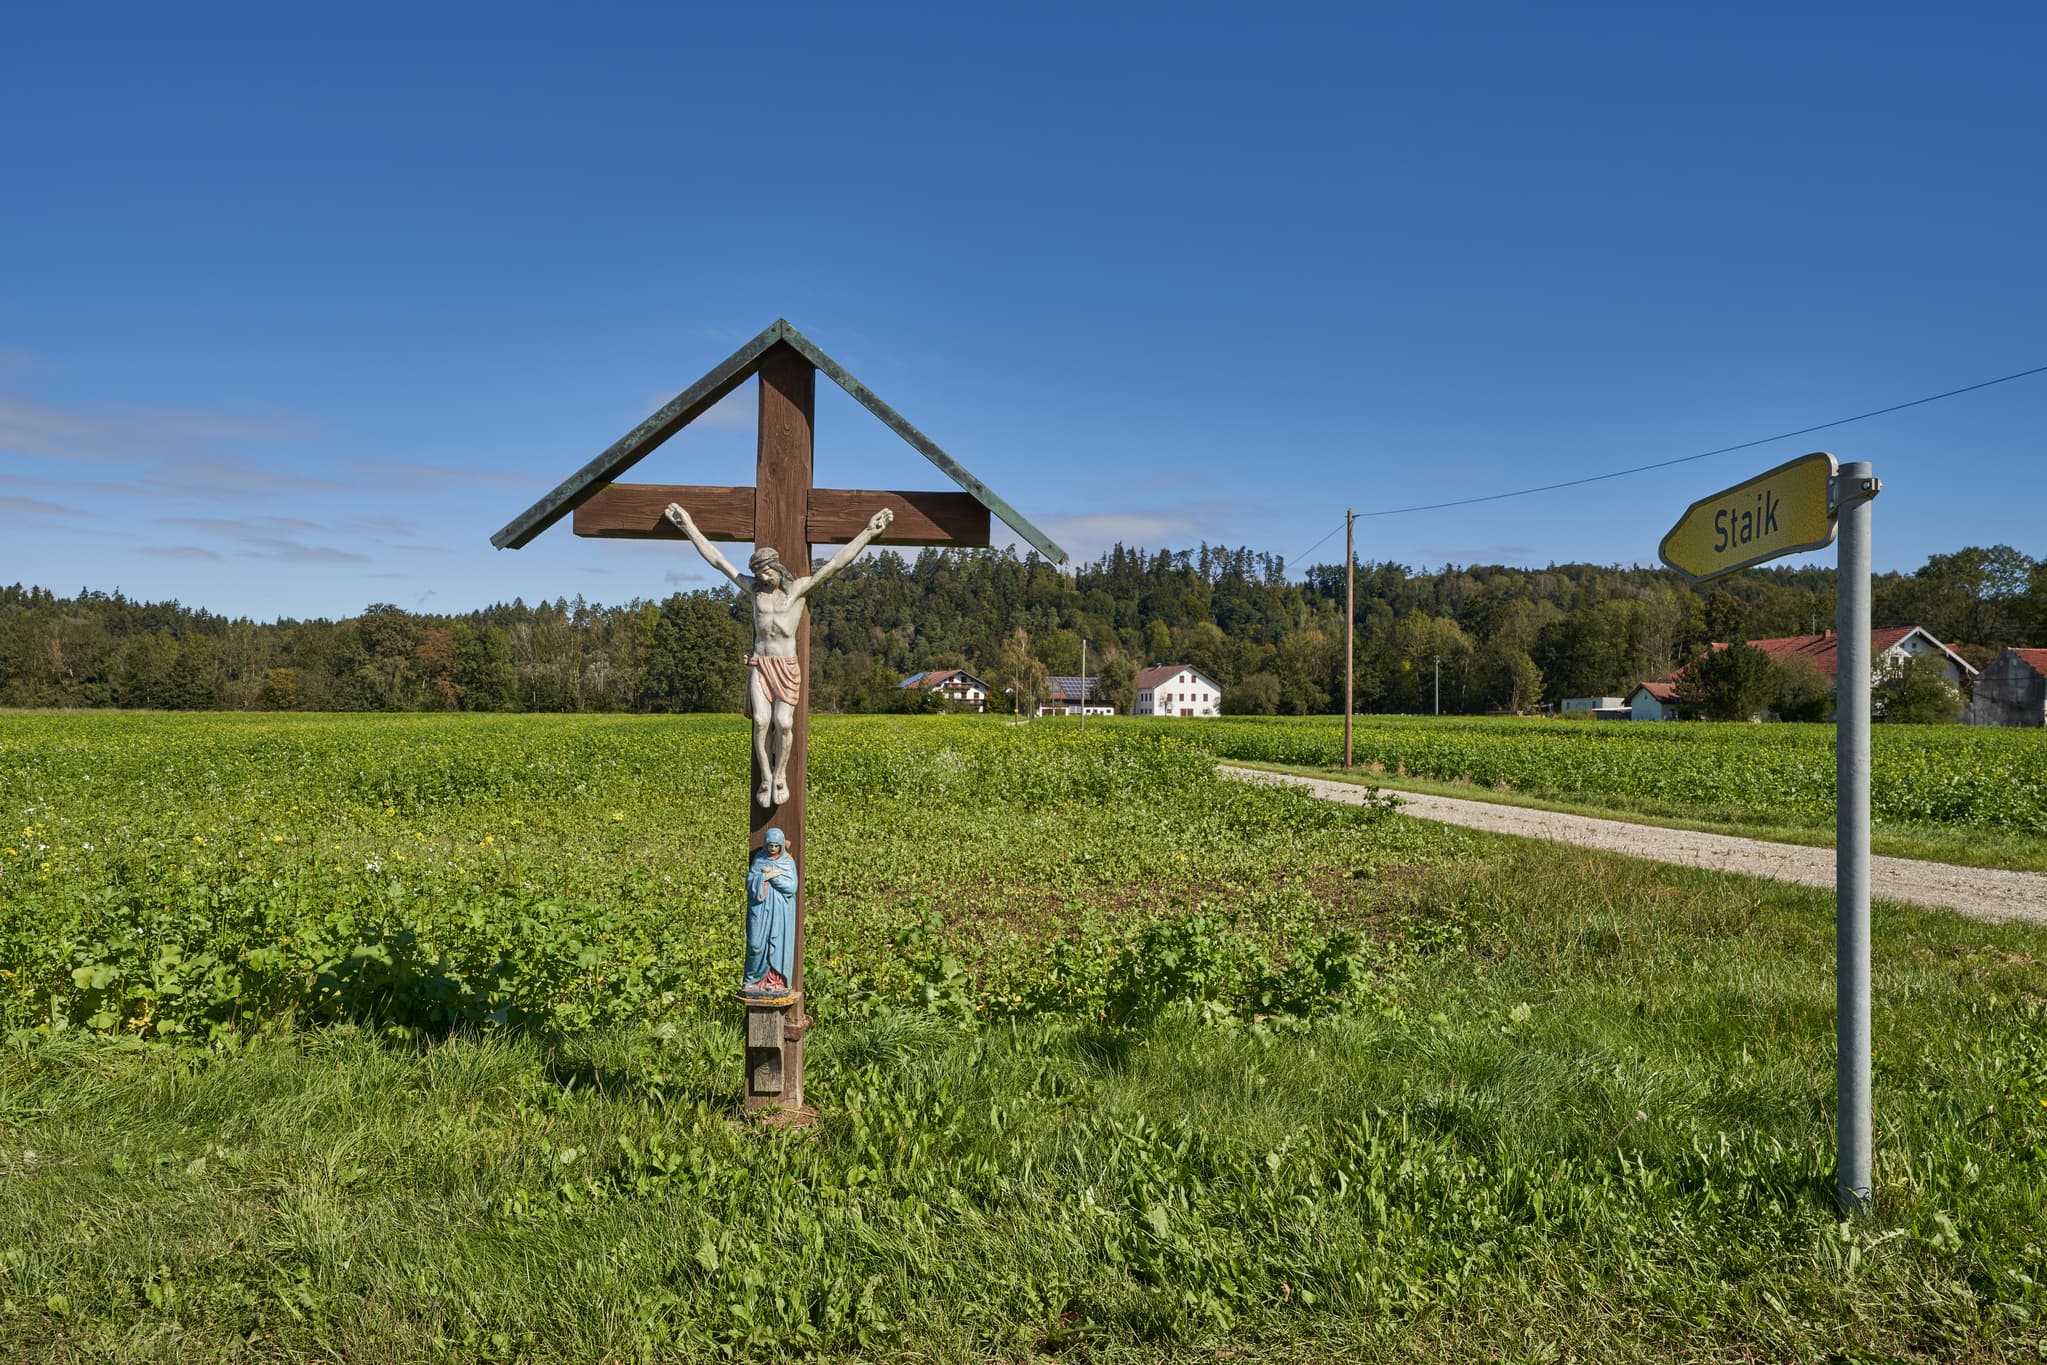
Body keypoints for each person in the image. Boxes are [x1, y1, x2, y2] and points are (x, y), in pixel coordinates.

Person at [665, 501, 894, 807]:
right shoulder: (755, 591)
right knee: (761, 721)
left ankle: (781, 774)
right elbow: (718, 561)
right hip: (761, 664)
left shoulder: (798, 590)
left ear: (777, 567)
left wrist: (867, 533)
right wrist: (688, 526)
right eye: (759, 575)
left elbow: (835, 564)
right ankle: (766, 778)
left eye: (767, 573)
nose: (764, 579)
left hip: (786, 666)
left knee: (783, 723)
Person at [743, 828, 798, 997]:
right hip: (760, 909)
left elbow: (791, 887)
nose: (773, 849)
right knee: (756, 944)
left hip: (780, 911)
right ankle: (753, 980)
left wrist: (773, 877)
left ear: (781, 846)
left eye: (776, 846)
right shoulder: (759, 859)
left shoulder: (787, 862)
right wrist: (764, 878)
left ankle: (775, 981)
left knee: (777, 943)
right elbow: (750, 882)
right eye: (770, 845)